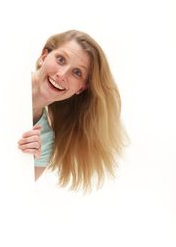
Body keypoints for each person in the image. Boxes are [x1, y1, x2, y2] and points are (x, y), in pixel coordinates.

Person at [18, 29, 128, 192]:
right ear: (43, 56)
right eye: (61, 59)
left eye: (77, 73)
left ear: (81, 88)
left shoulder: (44, 142)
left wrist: (22, 162)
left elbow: (14, 195)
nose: (62, 74)